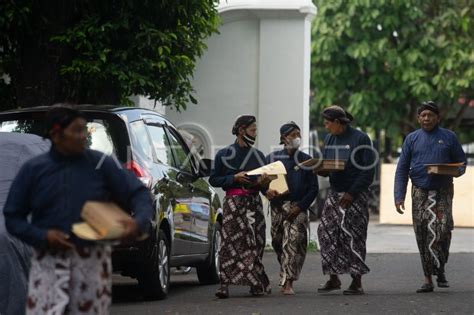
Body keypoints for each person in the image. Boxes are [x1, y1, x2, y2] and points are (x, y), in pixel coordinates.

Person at [3, 106, 153, 314]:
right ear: (56, 134)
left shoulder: (102, 165)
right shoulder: (34, 170)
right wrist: (43, 235)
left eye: (85, 130)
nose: (83, 136)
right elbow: (12, 217)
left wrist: (139, 222)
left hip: (91, 260)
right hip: (49, 260)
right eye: (77, 131)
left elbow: (139, 193)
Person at [394, 101, 466, 293]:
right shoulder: (411, 139)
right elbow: (402, 168)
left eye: (430, 115)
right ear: (418, 118)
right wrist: (399, 195)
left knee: (443, 229)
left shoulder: (449, 137)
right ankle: (428, 279)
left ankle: (440, 267)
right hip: (419, 191)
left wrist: (455, 171)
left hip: (442, 191)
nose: (426, 118)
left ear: (438, 117)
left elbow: (461, 163)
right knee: (422, 233)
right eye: (423, 115)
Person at [209, 115, 272, 299]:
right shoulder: (224, 154)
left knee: (256, 242)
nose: (255, 133)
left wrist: (266, 186)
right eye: (252, 130)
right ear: (242, 130)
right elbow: (214, 179)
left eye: (256, 130)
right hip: (233, 204)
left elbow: (263, 186)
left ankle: (254, 282)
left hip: (254, 204)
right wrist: (234, 178)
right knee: (230, 243)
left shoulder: (259, 156)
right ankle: (224, 284)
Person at [316, 105, 375, 295]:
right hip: (335, 192)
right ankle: (333, 278)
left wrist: (352, 193)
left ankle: (357, 281)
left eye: (327, 123)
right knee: (326, 232)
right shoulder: (330, 138)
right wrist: (321, 170)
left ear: (337, 122)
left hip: (355, 195)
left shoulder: (361, 139)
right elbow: (328, 164)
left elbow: (368, 171)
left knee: (354, 235)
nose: (325, 127)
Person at [265, 122, 318, 295]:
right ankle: (285, 269)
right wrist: (267, 191)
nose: (297, 138)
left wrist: (300, 207)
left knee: (293, 242)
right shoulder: (272, 159)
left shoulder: (306, 160)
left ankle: (288, 282)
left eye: (299, 134)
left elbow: (313, 189)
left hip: (298, 207)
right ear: (284, 138)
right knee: (278, 241)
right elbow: (262, 183)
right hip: (277, 207)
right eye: (294, 134)